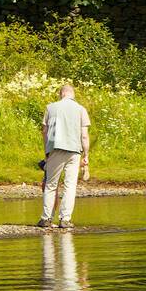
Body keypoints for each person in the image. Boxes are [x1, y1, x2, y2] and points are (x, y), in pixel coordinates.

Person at [37, 83, 90, 231]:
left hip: (55, 149)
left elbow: (44, 132)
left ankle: (46, 218)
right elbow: (84, 136)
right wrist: (86, 155)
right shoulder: (81, 109)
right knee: (70, 185)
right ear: (72, 94)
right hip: (75, 151)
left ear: (61, 94)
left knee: (51, 184)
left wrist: (46, 152)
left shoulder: (50, 107)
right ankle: (65, 219)